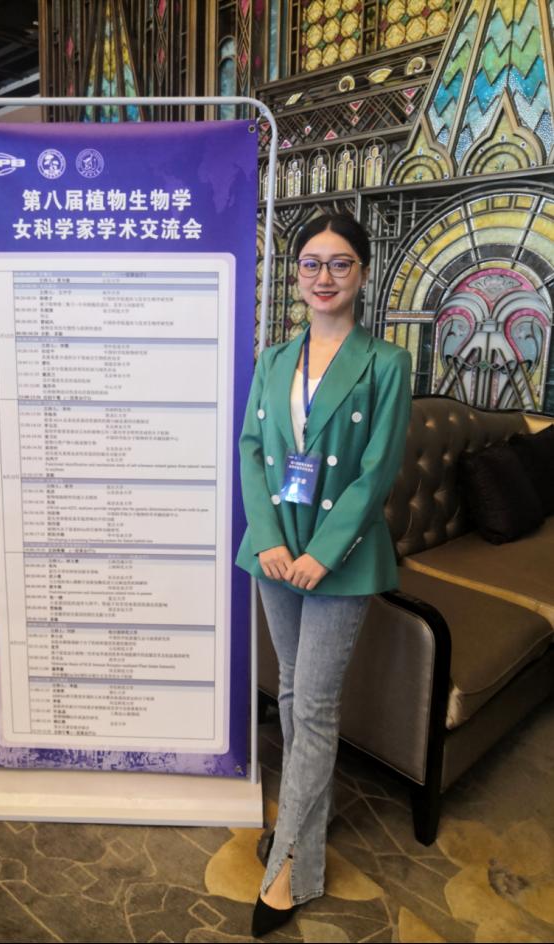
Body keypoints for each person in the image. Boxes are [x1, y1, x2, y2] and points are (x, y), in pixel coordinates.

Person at [236, 213, 412, 937]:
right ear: (296, 275)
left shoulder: (386, 363)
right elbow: (251, 449)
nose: (324, 276)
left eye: (340, 263)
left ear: (362, 273)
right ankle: (303, 832)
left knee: (311, 707)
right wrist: (269, 538)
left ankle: (291, 868)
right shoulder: (274, 359)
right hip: (276, 552)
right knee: (292, 690)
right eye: (311, 263)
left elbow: (377, 471)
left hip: (340, 557)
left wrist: (323, 552)